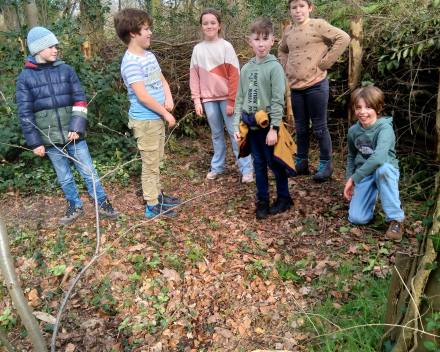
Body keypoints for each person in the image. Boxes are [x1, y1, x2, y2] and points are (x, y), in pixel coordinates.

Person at [16, 27, 121, 226]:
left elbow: (80, 101)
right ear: (37, 49)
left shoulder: (66, 70)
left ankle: (103, 203)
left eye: (56, 45)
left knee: (89, 172)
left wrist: (76, 127)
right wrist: (35, 142)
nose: (55, 49)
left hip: (74, 136)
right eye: (50, 46)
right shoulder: (25, 79)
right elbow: (25, 114)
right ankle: (74, 205)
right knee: (64, 177)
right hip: (50, 140)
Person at [114, 8, 181, 218]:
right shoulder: (130, 62)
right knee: (150, 163)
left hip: (156, 117)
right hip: (146, 121)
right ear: (133, 33)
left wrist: (168, 98)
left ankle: (157, 195)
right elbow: (142, 96)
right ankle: (152, 206)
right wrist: (166, 113)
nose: (150, 32)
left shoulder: (149, 56)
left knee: (156, 159)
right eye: (146, 29)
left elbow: (161, 79)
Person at [278, 0, 350, 182]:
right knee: (301, 128)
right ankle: (301, 162)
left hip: (316, 85)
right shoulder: (288, 31)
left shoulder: (318, 25)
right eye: (293, 7)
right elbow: (282, 50)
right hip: (295, 88)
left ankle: (326, 165)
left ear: (310, 7)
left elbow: (344, 38)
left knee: (319, 127)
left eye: (301, 6)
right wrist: (286, 67)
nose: (297, 10)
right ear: (290, 11)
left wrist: (325, 63)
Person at [233, 17, 293, 220]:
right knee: (258, 164)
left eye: (265, 39)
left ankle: (284, 198)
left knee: (274, 163)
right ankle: (263, 200)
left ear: (272, 41)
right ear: (249, 41)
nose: (261, 44)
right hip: (251, 128)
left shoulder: (274, 68)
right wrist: (236, 126)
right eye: (257, 39)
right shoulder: (246, 68)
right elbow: (240, 98)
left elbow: (278, 101)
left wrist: (274, 128)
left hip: (269, 128)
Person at [190, 8, 253, 182]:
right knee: (216, 134)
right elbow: (193, 77)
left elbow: (235, 76)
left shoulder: (226, 47)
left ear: (219, 26)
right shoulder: (197, 50)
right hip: (208, 100)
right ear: (201, 26)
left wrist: (232, 100)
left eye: (213, 23)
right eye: (205, 23)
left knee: (236, 133)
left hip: (227, 99)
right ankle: (218, 167)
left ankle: (246, 169)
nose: (209, 26)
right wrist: (197, 100)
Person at [344, 86, 404, 241]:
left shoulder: (384, 128)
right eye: (358, 107)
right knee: (357, 219)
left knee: (382, 169)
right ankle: (371, 195)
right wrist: (349, 179)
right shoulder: (353, 131)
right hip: (364, 174)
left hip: (385, 170)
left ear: (379, 107)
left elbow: (378, 159)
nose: (362, 112)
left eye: (368, 107)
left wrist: (354, 179)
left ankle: (396, 219)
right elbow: (352, 156)